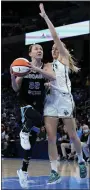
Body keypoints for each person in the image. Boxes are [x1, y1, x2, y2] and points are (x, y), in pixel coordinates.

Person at [37, 3, 87, 183]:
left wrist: (45, 17)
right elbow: (44, 79)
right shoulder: (48, 65)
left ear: (62, 49)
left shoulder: (64, 59)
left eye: (57, 47)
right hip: (52, 101)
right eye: (52, 49)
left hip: (65, 99)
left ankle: (81, 161)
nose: (55, 49)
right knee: (51, 137)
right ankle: (54, 171)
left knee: (72, 135)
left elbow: (55, 35)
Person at [10, 44, 56, 188]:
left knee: (31, 142)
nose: (39, 50)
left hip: (39, 105)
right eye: (36, 48)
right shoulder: (23, 66)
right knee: (37, 118)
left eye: (41, 49)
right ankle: (24, 130)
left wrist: (37, 70)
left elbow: (52, 77)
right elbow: (16, 88)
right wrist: (13, 77)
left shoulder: (46, 66)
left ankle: (23, 171)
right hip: (26, 104)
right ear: (30, 53)